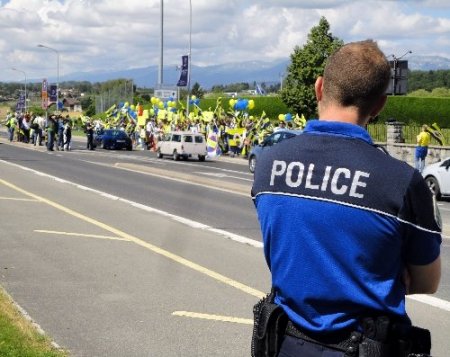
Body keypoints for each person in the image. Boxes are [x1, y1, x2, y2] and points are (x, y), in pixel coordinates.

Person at [251, 40, 441, 357]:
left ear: (319, 87)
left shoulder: (269, 164)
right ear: (379, 105)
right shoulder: (402, 182)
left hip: (288, 344)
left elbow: (288, 245)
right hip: (366, 346)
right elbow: (426, 281)